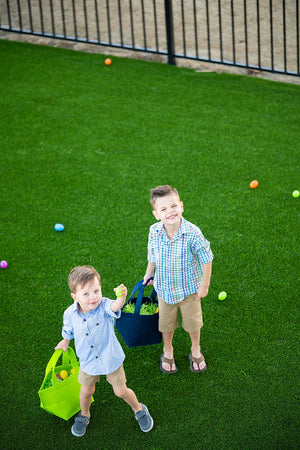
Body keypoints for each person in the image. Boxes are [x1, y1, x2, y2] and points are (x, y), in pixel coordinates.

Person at [55, 265, 153, 437]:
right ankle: (84, 414)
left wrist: (121, 298)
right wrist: (65, 341)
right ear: (75, 296)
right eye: (86, 294)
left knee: (120, 391)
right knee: (86, 391)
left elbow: (115, 307)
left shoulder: (105, 305)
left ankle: (139, 409)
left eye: (96, 291)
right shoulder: (70, 314)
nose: (93, 297)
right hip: (87, 361)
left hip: (110, 358)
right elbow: (68, 329)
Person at [143, 185, 213, 374]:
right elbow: (153, 254)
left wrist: (204, 285)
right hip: (164, 290)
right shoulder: (154, 231)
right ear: (156, 214)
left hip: (189, 290)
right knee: (166, 324)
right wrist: (149, 273)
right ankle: (168, 349)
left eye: (173, 206)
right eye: (163, 209)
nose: (170, 212)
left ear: (181, 206)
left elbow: (207, 258)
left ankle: (195, 349)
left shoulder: (192, 233)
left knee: (193, 323)